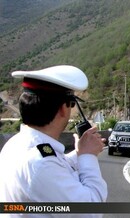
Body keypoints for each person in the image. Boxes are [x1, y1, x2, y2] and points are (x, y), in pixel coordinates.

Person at [0, 65, 108, 217]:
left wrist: (79, 153)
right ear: (64, 108)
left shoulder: (16, 144)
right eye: (71, 104)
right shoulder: (40, 163)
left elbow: (57, 166)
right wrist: (88, 156)